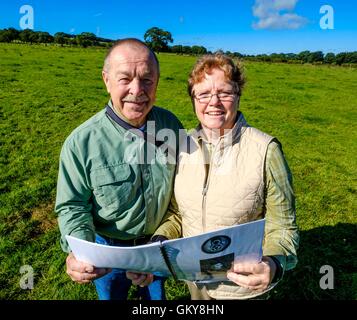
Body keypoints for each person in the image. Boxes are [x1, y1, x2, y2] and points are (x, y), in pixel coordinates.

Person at [130, 53, 299, 300]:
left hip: (242, 288)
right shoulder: (182, 146)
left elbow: (283, 225)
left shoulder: (266, 150)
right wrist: (158, 245)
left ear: (238, 95)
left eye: (225, 93)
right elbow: (178, 213)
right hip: (195, 282)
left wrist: (273, 264)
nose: (214, 102)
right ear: (193, 100)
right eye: (204, 94)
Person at [55, 38, 182, 300]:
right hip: (107, 251)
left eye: (147, 79)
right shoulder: (81, 142)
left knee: (155, 301)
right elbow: (73, 205)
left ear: (157, 81)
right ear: (106, 80)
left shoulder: (170, 124)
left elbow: (184, 187)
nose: (137, 90)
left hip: (157, 245)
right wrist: (82, 252)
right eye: (125, 79)